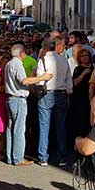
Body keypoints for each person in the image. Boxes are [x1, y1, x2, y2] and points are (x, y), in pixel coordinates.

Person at [4, 44, 52, 166]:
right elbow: (24, 80)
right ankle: (18, 158)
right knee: (19, 130)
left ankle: (11, 156)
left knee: (11, 128)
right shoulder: (17, 64)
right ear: (21, 53)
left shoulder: (9, 64)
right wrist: (42, 77)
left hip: (11, 98)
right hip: (18, 98)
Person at [37, 38, 73, 166]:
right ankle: (62, 156)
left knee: (44, 126)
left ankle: (43, 157)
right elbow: (69, 78)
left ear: (45, 47)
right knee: (61, 126)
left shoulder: (43, 60)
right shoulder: (63, 59)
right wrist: (68, 91)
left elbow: (40, 81)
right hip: (61, 94)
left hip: (47, 93)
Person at [68, 47, 94, 149]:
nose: (85, 58)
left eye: (86, 56)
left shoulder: (93, 68)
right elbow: (74, 83)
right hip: (78, 99)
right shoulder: (78, 69)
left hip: (89, 98)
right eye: (82, 56)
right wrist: (83, 74)